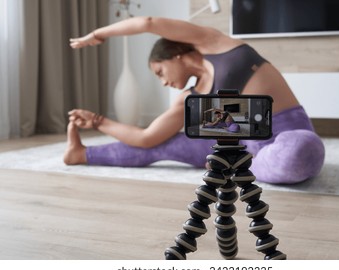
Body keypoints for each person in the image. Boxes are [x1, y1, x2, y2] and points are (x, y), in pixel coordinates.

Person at [64, 16, 325, 184]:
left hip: (283, 131)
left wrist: (98, 34)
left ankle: (238, 166)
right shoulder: (188, 100)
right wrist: (98, 121)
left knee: (302, 149)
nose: (163, 81)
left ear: (174, 55)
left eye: (160, 72)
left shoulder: (214, 43)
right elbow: (146, 138)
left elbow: (148, 22)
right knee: (161, 145)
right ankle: (81, 154)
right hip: (235, 144)